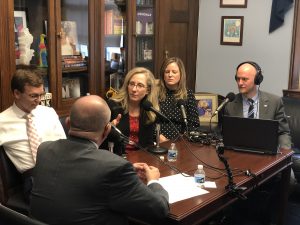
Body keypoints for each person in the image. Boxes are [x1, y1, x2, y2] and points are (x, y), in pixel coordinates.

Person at [30, 95, 169, 225]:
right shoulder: (114, 167)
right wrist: (153, 181)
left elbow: (78, 173)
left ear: (68, 123)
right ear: (107, 129)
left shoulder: (44, 150)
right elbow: (159, 210)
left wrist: (125, 172)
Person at [0, 65, 66, 202]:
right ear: (17, 93)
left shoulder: (48, 113)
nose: (39, 100)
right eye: (33, 96)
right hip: (34, 178)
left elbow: (64, 146)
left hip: (61, 169)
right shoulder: (2, 122)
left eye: (41, 94)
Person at [224, 61, 292, 149]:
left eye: (244, 79)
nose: (240, 83)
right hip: (239, 152)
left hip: (266, 153)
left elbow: (283, 132)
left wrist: (285, 153)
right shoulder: (230, 103)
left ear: (257, 80)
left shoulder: (275, 102)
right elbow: (225, 134)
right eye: (238, 79)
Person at [105, 67, 159, 154]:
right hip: (117, 158)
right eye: (132, 84)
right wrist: (107, 129)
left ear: (148, 90)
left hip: (142, 158)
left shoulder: (149, 110)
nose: (134, 89)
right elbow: (99, 139)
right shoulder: (113, 105)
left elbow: (149, 143)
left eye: (140, 85)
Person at [158, 57, 200, 142]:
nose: (170, 75)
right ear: (163, 74)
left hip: (181, 142)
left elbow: (194, 123)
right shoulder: (155, 93)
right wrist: (157, 135)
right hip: (158, 140)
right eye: (167, 72)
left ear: (181, 74)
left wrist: (182, 139)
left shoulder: (188, 94)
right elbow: (148, 121)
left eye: (174, 72)